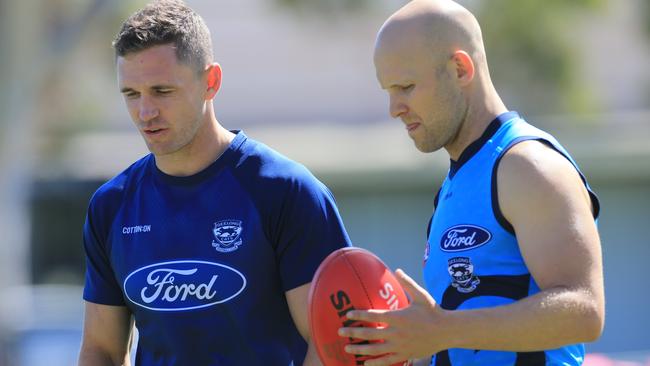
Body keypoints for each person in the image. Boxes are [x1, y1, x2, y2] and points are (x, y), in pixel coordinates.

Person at [77, 1, 351, 365]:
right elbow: (102, 350)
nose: (145, 112)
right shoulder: (111, 206)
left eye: (162, 91)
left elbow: (330, 344)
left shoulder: (286, 192)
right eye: (131, 94)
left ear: (211, 82)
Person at [338, 1, 604, 365]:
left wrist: (441, 330)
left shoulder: (526, 165)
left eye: (406, 87)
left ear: (461, 68)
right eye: (389, 91)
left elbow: (584, 311)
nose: (394, 108)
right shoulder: (457, 181)